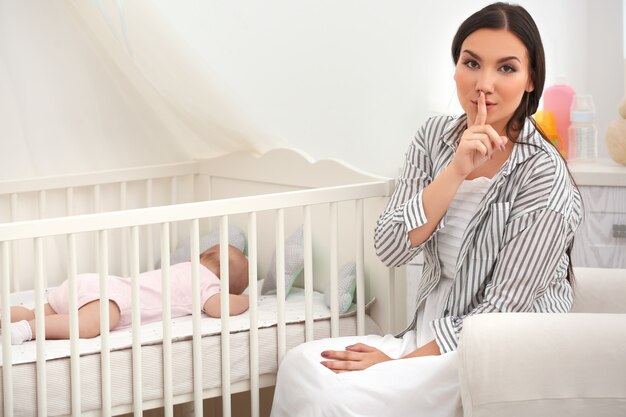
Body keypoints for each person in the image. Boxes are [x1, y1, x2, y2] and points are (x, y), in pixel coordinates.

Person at [270, 3, 582, 416]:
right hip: (425, 336)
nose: (483, 84)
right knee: (300, 365)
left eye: (506, 68)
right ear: (456, 68)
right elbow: (391, 248)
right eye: (472, 63)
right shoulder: (434, 138)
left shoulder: (543, 176)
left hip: (490, 359)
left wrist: (399, 365)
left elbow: (501, 314)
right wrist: (455, 170)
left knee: (339, 399)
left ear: (530, 81)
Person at [3, 244, 250, 345]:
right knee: (87, 326)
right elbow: (219, 307)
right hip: (111, 299)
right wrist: (245, 300)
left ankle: (7, 318)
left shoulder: (185, 267)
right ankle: (28, 330)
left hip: (92, 284)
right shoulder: (206, 281)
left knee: (40, 311)